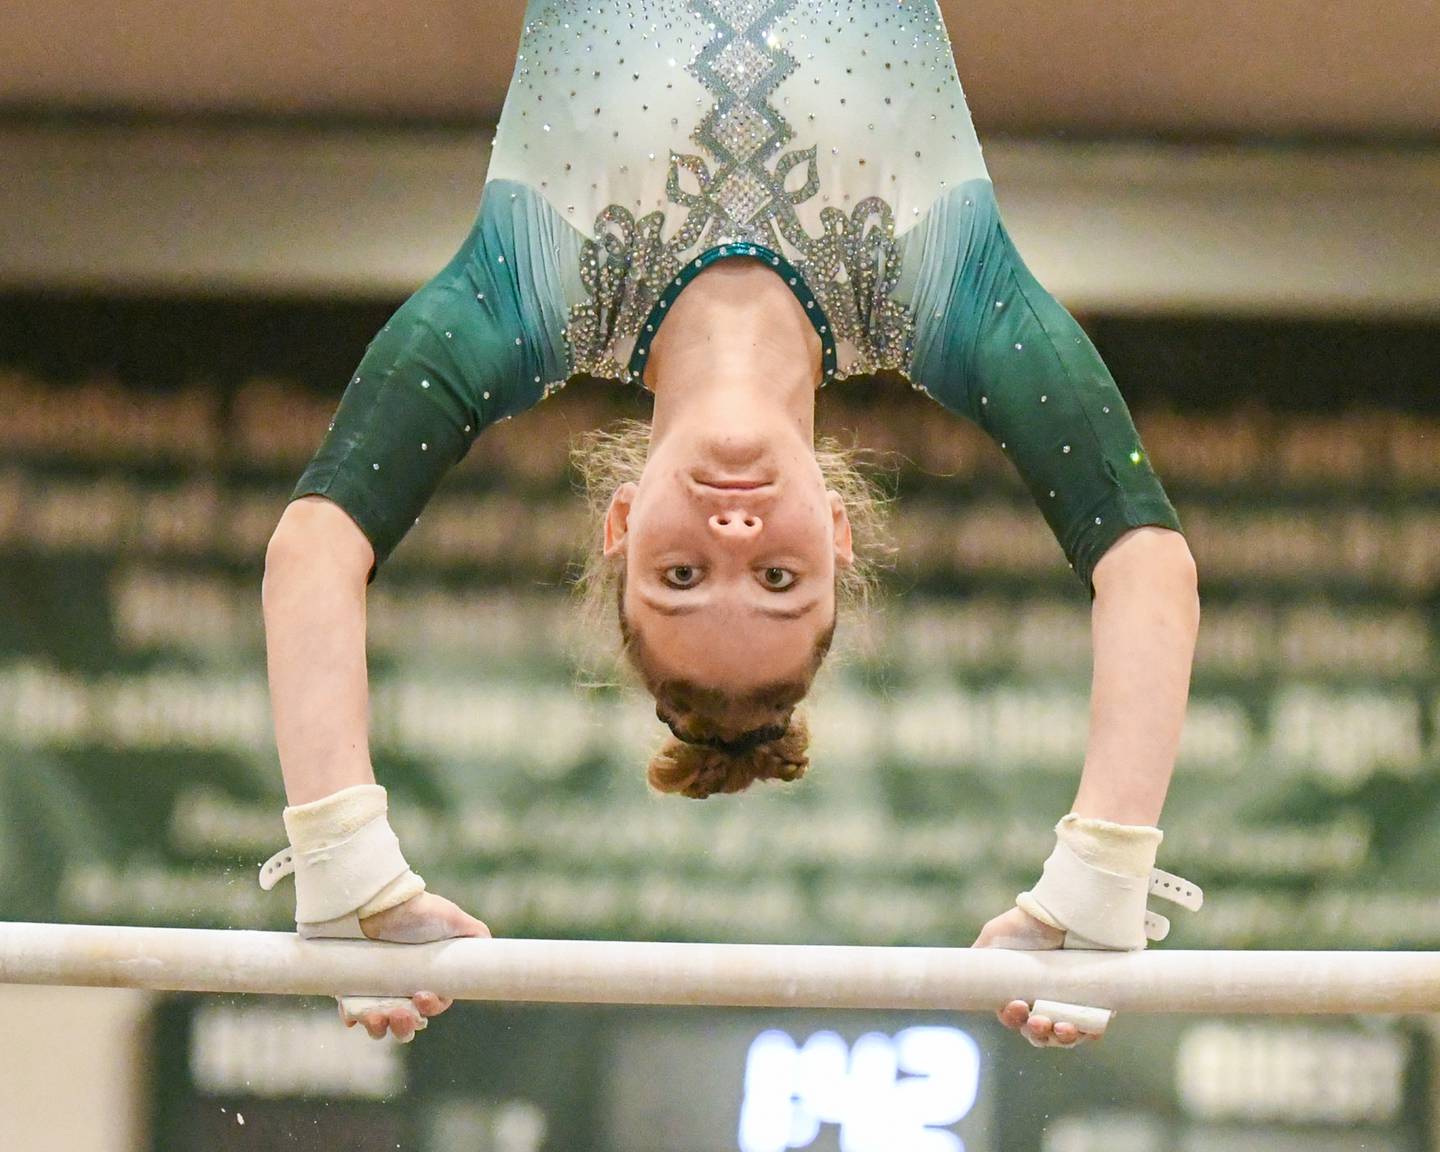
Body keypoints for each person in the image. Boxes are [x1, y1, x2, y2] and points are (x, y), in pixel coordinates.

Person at [260, 0, 1202, 1047]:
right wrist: (1100, 877)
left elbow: (313, 550)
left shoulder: (522, 291)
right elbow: (1148, 567)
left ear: (620, 525)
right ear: (840, 536)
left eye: (679, 574)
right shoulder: (950, 289)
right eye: (779, 582)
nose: (737, 538)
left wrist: (347, 864)